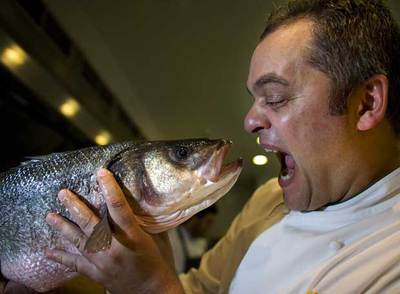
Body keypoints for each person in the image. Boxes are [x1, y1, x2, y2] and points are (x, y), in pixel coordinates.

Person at [2, 0, 400, 293]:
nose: (249, 121)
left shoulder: (389, 261)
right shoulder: (268, 200)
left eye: (275, 97)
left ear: (365, 103)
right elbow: (201, 289)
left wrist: (150, 289)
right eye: (254, 99)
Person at [169, 205, 218, 273]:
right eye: (208, 221)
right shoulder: (172, 238)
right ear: (195, 219)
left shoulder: (202, 242)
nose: (210, 227)